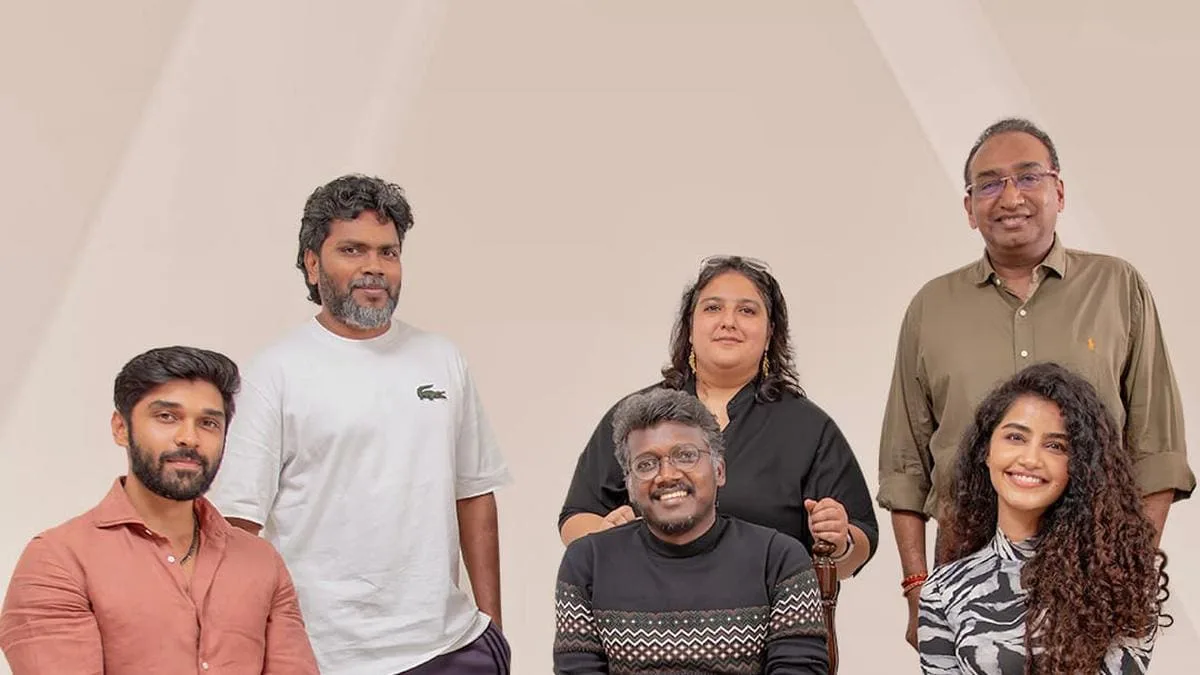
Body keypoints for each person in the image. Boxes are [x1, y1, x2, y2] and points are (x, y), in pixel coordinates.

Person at [877, 117, 1194, 648]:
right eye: (989, 184)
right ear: (969, 207)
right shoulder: (931, 307)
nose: (1010, 197)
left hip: (1093, 570)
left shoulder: (1117, 288)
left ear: (1059, 192)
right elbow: (905, 465)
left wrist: (1128, 572)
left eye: (1028, 177)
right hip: (963, 566)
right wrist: (917, 588)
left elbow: (1157, 450)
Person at [206, 174, 512, 674]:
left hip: (450, 648)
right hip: (324, 655)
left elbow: (474, 493)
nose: (374, 267)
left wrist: (492, 628)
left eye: (388, 252)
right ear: (312, 263)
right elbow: (238, 525)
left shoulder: (442, 359)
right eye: (352, 250)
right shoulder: (275, 372)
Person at [0, 346, 319, 675]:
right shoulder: (59, 560)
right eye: (167, 417)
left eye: (209, 423)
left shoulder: (261, 560)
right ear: (121, 428)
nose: (189, 438)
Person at [559, 256, 877, 580]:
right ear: (690, 327)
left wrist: (840, 541)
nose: (728, 322)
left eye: (747, 311)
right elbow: (576, 515)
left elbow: (859, 541)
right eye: (713, 308)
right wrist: (607, 534)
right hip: (646, 604)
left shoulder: (808, 428)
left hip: (768, 607)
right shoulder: (639, 418)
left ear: (770, 333)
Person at [918, 362, 1170, 674]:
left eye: (1055, 446)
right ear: (986, 451)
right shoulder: (943, 590)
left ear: (1079, 466)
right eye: (1015, 437)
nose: (1030, 459)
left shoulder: (1122, 584)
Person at [554, 388, 829, 674]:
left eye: (685, 456)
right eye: (646, 464)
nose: (667, 475)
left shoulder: (780, 559)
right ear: (630, 485)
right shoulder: (588, 563)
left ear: (719, 471)